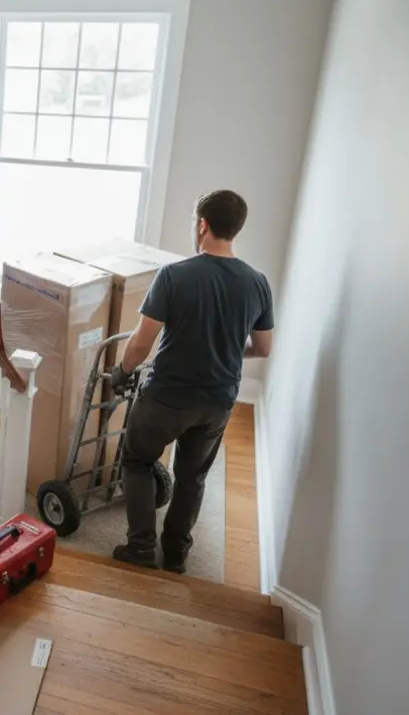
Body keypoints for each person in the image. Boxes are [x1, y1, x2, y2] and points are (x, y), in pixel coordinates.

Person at [109, 190, 274, 573]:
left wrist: (123, 371)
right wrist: (229, 351)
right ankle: (176, 552)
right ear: (236, 229)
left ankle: (140, 548)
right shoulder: (257, 283)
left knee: (136, 461)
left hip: (167, 396)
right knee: (192, 477)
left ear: (202, 224)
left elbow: (142, 341)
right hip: (217, 402)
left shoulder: (174, 275)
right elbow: (263, 348)